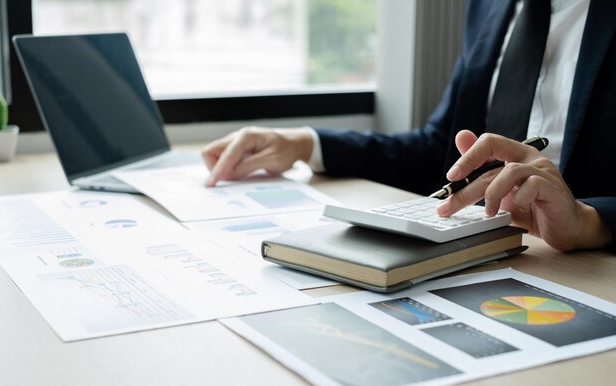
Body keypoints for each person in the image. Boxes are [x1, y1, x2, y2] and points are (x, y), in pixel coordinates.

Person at [202, 0, 615, 252]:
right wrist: (307, 145)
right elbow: (443, 149)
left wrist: (588, 221)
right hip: (481, 249)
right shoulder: (491, 5)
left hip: (584, 265)